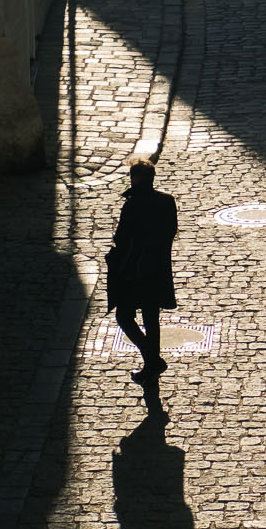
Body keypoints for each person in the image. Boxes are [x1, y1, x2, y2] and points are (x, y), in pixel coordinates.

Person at [108, 155, 178, 383]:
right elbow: (170, 233)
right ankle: (151, 364)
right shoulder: (167, 202)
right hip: (158, 269)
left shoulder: (133, 205)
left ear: (136, 178)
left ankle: (152, 360)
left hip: (135, 271)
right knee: (151, 318)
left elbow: (122, 239)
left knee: (124, 316)